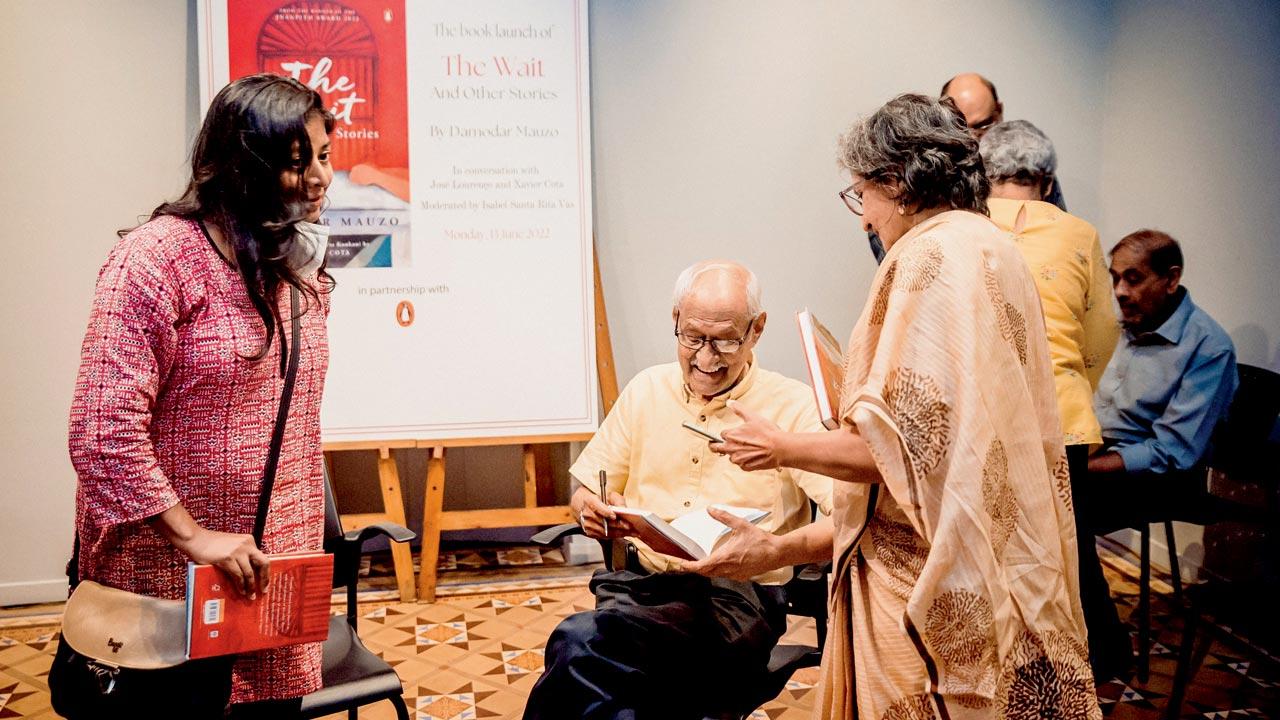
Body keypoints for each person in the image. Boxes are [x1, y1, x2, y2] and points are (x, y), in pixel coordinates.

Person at [717, 94, 1101, 718]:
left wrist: (780, 447)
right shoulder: (990, 243)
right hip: (1003, 544)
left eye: (862, 194)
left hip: (927, 572)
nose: (864, 219)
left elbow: (904, 448)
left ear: (897, 182)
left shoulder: (927, 257)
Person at [67, 73, 334, 718]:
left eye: (325, 155)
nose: (323, 177)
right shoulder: (156, 260)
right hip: (164, 594)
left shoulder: (293, 268)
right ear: (245, 166)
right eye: (299, 164)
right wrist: (195, 537)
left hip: (272, 595)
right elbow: (102, 430)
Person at [523, 260, 835, 720]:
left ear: (757, 330)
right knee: (608, 678)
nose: (706, 358)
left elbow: (853, 517)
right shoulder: (647, 389)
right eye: (693, 338)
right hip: (639, 588)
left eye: (725, 340)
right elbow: (588, 487)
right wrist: (587, 507)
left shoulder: (791, 408)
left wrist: (777, 551)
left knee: (580, 647)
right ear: (675, 321)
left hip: (735, 602)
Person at [979, 120, 1123, 678]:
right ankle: (1096, 662)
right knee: (1071, 549)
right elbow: (1102, 332)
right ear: (1045, 178)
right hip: (1065, 421)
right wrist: (1067, 382)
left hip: (987, 418)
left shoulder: (964, 229)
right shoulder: (1080, 233)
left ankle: (1008, 666)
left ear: (985, 173)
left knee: (992, 547)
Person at [1079, 230, 1238, 675]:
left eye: (1133, 278)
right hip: (1103, 452)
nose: (1120, 292)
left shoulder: (1209, 346)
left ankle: (1105, 649)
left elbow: (1173, 451)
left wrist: (1085, 468)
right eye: (1114, 278)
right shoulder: (1121, 324)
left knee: (1064, 508)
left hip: (1164, 478)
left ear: (1171, 279)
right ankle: (1052, 629)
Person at [941, 72, 1067, 211]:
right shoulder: (934, 168)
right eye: (960, 128)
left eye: (982, 126)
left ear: (999, 111)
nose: (972, 139)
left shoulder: (1030, 163)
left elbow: (1057, 226)